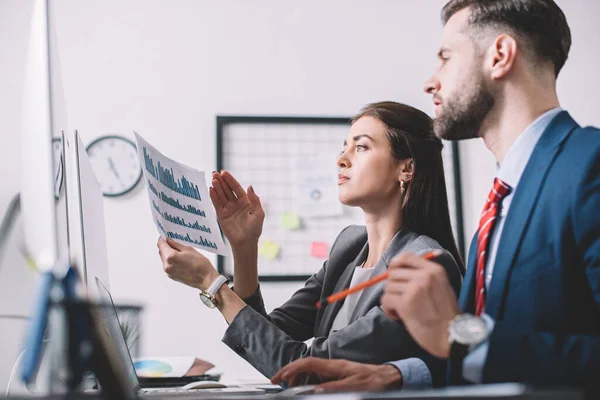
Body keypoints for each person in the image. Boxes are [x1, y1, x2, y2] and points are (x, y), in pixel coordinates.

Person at [272, 0, 600, 392]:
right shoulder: (496, 210)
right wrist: (400, 374)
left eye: (445, 58)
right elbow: (495, 356)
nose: (431, 82)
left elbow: (475, 341)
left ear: (499, 56)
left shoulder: (589, 167)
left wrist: (463, 335)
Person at [157, 101, 464, 382]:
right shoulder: (349, 247)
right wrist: (244, 248)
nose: (342, 160)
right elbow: (270, 336)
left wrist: (212, 284)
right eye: (344, 148)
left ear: (406, 168)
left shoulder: (426, 263)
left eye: (362, 148)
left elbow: (306, 367)